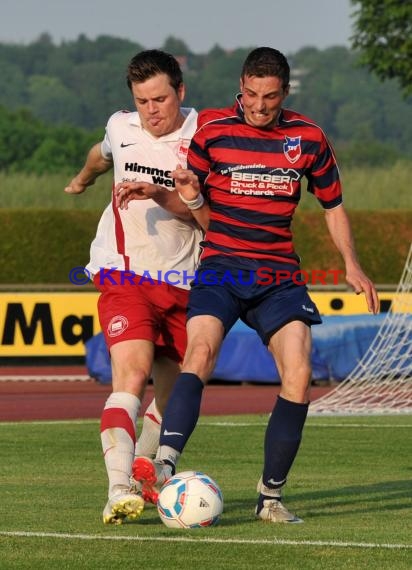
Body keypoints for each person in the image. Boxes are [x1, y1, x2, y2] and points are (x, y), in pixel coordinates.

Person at [132, 47, 379, 524]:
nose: (259, 106)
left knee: (299, 372)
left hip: (278, 275)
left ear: (285, 93)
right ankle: (163, 464)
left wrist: (352, 264)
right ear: (240, 87)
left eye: (269, 97)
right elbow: (194, 207)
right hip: (222, 265)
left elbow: (333, 205)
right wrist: (177, 192)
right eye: (250, 95)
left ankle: (270, 496)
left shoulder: (308, 137)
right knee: (199, 353)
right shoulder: (213, 132)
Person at [64, 50, 208, 524]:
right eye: (142, 100)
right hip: (124, 274)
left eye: (161, 98)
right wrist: (83, 179)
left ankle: (146, 470)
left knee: (173, 395)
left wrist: (165, 194)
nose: (152, 110)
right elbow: (99, 155)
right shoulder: (120, 127)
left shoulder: (204, 136)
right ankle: (118, 487)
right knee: (132, 373)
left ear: (180, 93)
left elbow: (210, 215)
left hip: (184, 280)